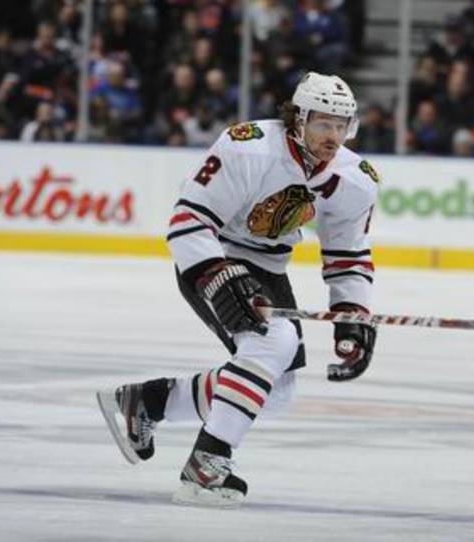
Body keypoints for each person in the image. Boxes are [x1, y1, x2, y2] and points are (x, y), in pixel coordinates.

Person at [97, 72, 379, 507]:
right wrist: (216, 273)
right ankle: (206, 467)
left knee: (276, 391)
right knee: (274, 341)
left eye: (342, 125)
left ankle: (146, 401)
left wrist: (351, 314)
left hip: (268, 267)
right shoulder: (248, 147)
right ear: (298, 119)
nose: (333, 136)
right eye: (324, 123)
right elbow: (188, 221)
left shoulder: (354, 178)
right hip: (213, 254)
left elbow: (348, 256)